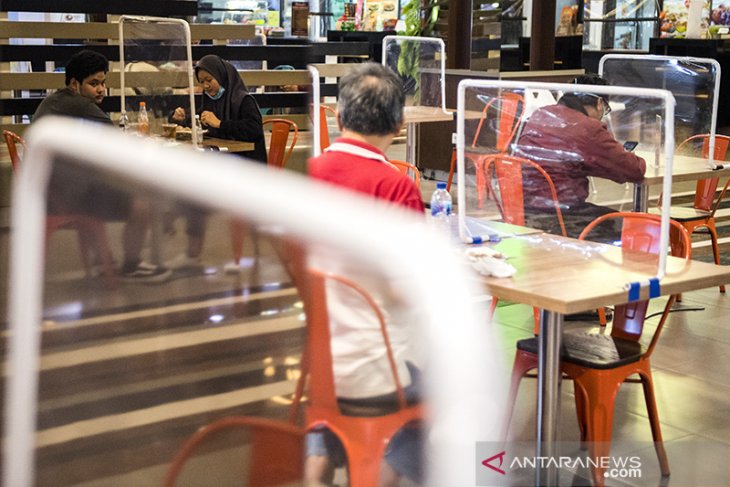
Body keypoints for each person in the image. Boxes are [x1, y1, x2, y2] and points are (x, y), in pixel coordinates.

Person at [306, 62, 424, 487]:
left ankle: (317, 469)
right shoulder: (395, 187)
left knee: (327, 407)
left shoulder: (307, 173)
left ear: (338, 117)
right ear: (400, 123)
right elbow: (406, 289)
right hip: (371, 369)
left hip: (313, 363)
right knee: (450, 391)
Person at [33, 49, 170, 282]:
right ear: (75, 84)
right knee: (143, 203)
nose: (100, 89)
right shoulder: (81, 106)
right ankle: (131, 266)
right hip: (64, 196)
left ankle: (101, 260)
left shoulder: (55, 101)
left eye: (103, 83)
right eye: (93, 83)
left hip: (48, 189)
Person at [513, 73, 646, 241]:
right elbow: (633, 170)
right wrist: (634, 158)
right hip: (562, 216)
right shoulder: (587, 127)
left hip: (521, 208)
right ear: (599, 103)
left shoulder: (541, 114)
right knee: (632, 224)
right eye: (606, 109)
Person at [168, 54, 267, 269]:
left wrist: (220, 124)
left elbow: (253, 130)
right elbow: (195, 119)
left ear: (222, 77)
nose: (205, 86)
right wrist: (176, 117)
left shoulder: (243, 100)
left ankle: (222, 255)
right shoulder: (208, 100)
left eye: (209, 80)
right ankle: (192, 253)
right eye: (201, 82)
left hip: (248, 168)